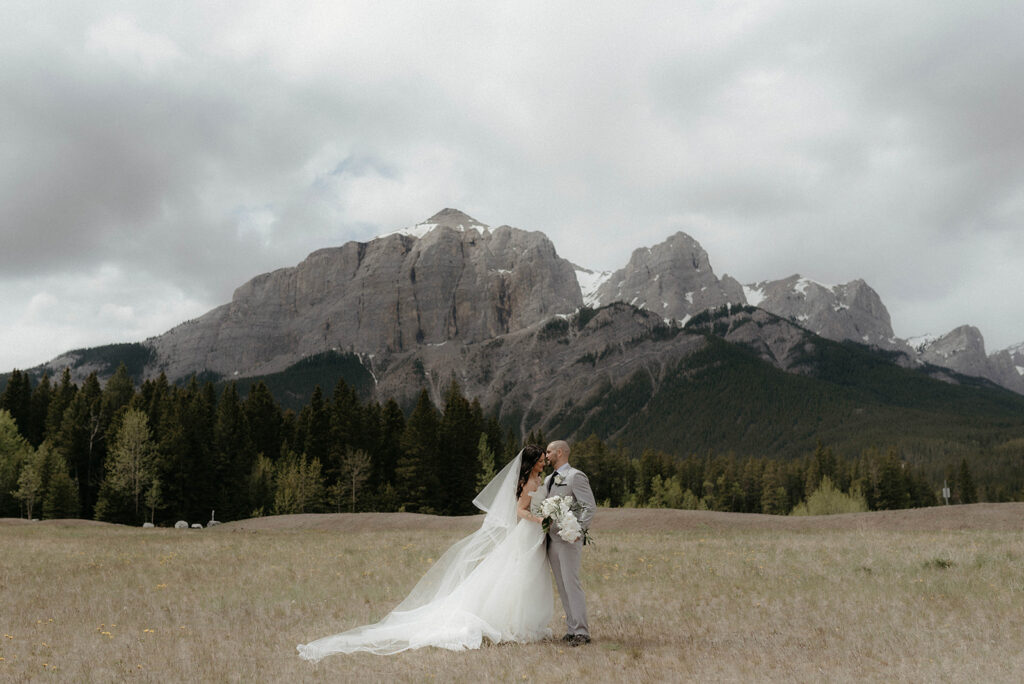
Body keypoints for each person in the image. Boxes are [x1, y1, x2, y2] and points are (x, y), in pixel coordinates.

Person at [297, 445, 553, 660]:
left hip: (531, 534)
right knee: (515, 577)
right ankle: (514, 624)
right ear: (532, 463)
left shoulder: (534, 478)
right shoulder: (528, 480)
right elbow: (520, 510)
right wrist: (538, 518)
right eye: (541, 461)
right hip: (527, 531)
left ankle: (526, 624)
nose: (544, 464)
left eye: (544, 460)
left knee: (525, 578)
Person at [543, 440, 596, 647]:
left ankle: (582, 631)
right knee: (562, 586)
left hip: (568, 540)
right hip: (551, 541)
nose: (546, 455)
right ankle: (572, 629)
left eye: (548, 452)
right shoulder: (548, 479)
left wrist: (578, 531)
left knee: (572, 584)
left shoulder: (576, 476)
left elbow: (589, 507)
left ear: (560, 452)